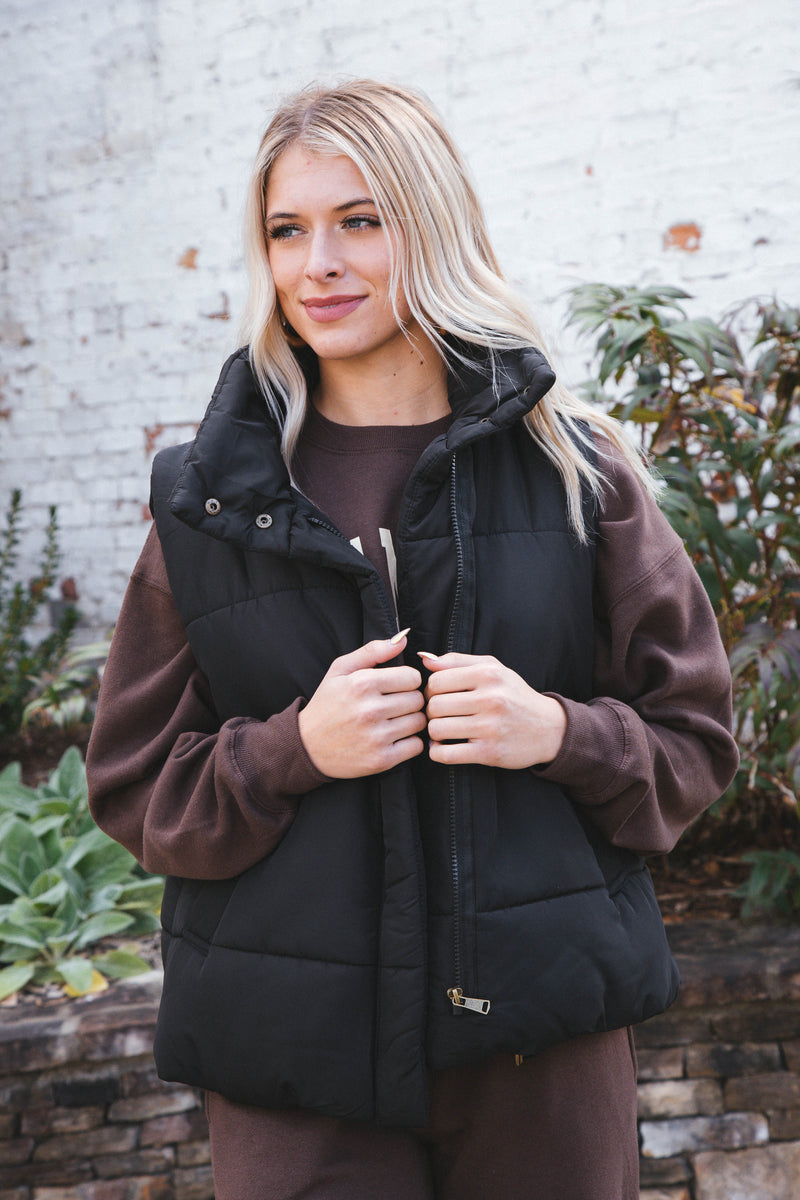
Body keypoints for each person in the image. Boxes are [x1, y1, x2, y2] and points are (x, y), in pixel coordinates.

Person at [86, 79, 739, 1200]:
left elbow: (695, 744)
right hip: (293, 1063)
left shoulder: (577, 471)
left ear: (431, 225)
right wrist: (291, 750)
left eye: (360, 220)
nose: (317, 265)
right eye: (286, 231)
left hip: (540, 1045)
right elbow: (135, 785)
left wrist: (557, 733)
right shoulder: (207, 502)